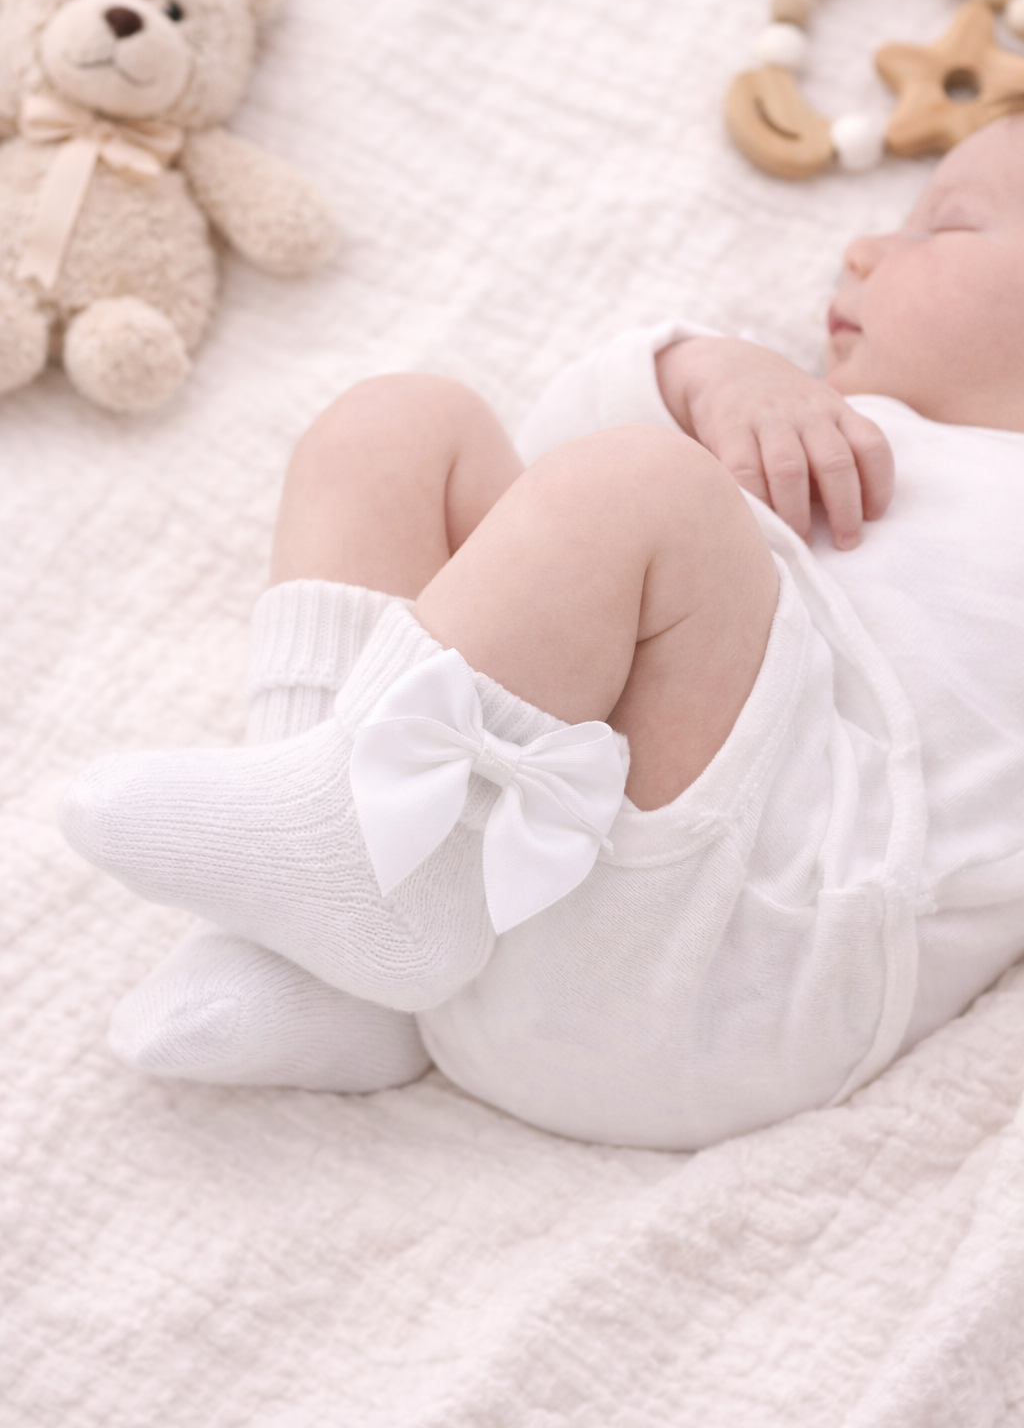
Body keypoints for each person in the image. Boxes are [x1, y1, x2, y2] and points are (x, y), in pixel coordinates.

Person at [60, 116, 1024, 1150]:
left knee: (646, 486)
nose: (867, 249)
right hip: (534, 886)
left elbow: (615, 491)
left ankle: (367, 859)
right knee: (397, 427)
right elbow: (554, 483)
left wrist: (667, 467)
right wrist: (708, 372)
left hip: (740, 964)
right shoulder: (828, 426)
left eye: (946, 227)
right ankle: (330, 957)